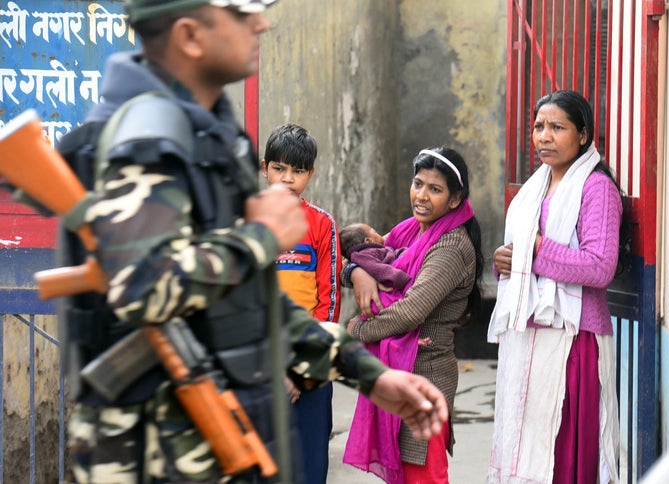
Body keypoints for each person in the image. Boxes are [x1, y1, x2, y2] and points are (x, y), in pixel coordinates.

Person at [55, 1, 449, 483]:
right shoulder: (145, 143)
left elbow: (251, 302)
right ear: (190, 34)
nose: (260, 22)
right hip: (153, 454)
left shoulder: (208, 139)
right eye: (241, 13)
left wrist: (367, 375)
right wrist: (261, 239)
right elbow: (143, 289)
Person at [486, 90, 621, 484]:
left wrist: (535, 251)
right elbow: (524, 262)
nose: (544, 136)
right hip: (528, 339)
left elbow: (600, 267)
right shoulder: (536, 188)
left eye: (557, 127)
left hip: (572, 342)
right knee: (526, 449)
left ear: (582, 135)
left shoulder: (597, 189)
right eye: (538, 127)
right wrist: (506, 263)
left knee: (563, 455)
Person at [342, 147, 485, 484]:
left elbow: (410, 311)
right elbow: (361, 259)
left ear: (454, 199)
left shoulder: (451, 246)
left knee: (425, 476)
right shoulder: (411, 231)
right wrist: (356, 273)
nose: (421, 196)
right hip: (400, 371)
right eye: (418, 184)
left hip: (426, 376)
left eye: (434, 189)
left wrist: (353, 330)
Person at [260, 123, 341, 484]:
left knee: (308, 467)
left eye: (297, 171)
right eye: (279, 168)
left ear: (311, 174)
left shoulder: (322, 225)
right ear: (265, 169)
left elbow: (329, 301)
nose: (287, 179)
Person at [339, 223, 410, 294]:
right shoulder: (362, 255)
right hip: (394, 283)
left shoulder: (373, 250)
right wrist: (399, 277)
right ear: (368, 241)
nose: (380, 235)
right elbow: (378, 269)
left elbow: (392, 253)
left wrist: (405, 252)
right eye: (375, 232)